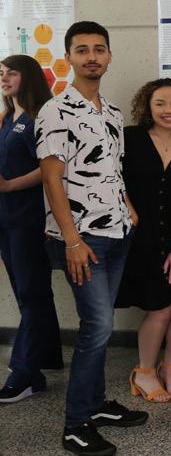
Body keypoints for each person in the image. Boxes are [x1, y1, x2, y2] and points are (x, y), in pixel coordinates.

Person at [37, 21, 148, 455]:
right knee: (97, 328)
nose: (91, 57)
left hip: (117, 231)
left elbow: (111, 169)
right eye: (82, 50)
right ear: (68, 57)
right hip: (83, 239)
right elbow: (51, 179)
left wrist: (128, 206)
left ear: (109, 56)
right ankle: (76, 425)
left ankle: (97, 404)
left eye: (99, 49)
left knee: (99, 327)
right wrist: (72, 241)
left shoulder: (113, 112)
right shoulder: (56, 110)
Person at [115, 78, 171, 403]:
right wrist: (130, 211)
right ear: (147, 107)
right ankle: (144, 371)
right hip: (141, 239)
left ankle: (169, 369)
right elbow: (112, 177)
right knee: (161, 309)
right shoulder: (130, 138)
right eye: (160, 103)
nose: (169, 110)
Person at [0, 54, 62, 404]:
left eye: (12, 73)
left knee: (32, 293)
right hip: (7, 220)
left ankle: (25, 374)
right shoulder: (8, 117)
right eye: (1, 73)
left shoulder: (41, 117)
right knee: (29, 293)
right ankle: (46, 358)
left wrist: (10, 185)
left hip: (30, 220)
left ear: (29, 77)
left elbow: (50, 167)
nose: (4, 78)